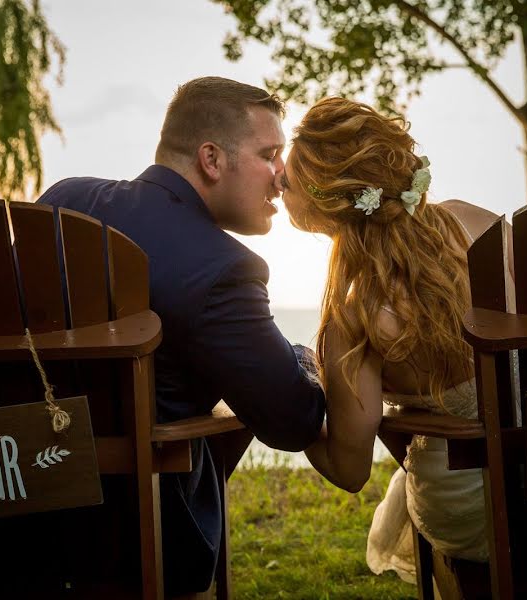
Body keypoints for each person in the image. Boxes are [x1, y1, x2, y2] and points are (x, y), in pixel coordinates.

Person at [38, 76, 326, 597]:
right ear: (211, 160)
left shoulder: (63, 199)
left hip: (6, 517)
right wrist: (304, 359)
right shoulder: (222, 267)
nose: (283, 176)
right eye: (270, 153)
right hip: (140, 539)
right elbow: (294, 420)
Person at [278, 97, 502, 582]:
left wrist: (291, 412)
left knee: (425, 482)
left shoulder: (354, 320)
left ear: (328, 203)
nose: (277, 184)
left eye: (287, 182)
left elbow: (350, 469)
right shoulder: (478, 224)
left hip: (472, 505)